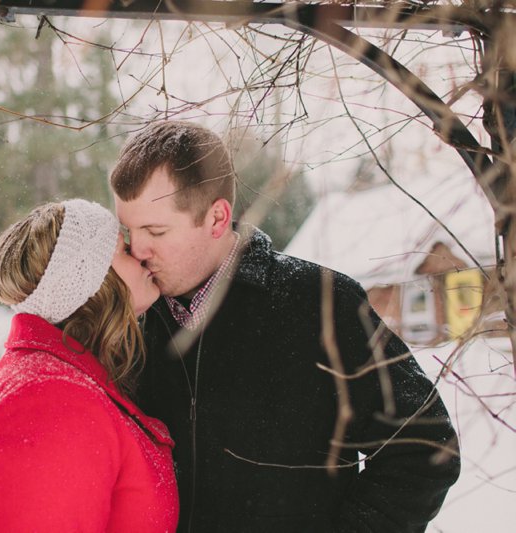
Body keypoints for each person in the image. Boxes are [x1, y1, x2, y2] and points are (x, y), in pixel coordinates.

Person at [110, 121, 461, 533]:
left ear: (217, 218)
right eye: (128, 230)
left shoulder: (321, 304)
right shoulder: (129, 324)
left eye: (155, 231)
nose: (137, 249)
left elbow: (424, 447)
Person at [0, 199, 179, 532]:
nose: (141, 254)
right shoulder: (51, 405)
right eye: (124, 249)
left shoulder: (57, 382)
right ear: (93, 281)